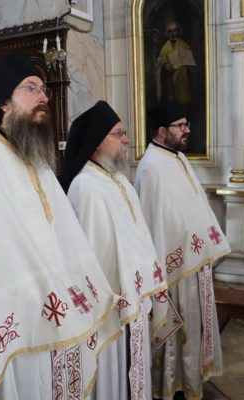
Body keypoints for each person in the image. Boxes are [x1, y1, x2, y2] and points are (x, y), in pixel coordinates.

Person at [0, 54, 122, 399]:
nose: (44, 96)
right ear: (3, 102)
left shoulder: (36, 159)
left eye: (44, 90)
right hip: (17, 323)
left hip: (58, 309)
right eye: (31, 89)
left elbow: (66, 236)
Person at [61, 101, 169, 400]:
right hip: (109, 310)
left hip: (133, 299)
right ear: (96, 141)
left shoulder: (119, 180)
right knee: (113, 378)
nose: (126, 139)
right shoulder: (85, 187)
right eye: (118, 133)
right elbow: (88, 258)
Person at [134, 101, 231, 400]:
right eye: (180, 125)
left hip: (194, 264)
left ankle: (191, 380)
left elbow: (195, 207)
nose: (187, 130)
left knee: (194, 325)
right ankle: (171, 385)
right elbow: (154, 223)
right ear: (162, 131)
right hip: (173, 270)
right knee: (178, 329)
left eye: (187, 124)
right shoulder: (151, 167)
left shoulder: (178, 158)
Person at [155, 22, 195, 106]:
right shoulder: (164, 47)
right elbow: (159, 65)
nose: (172, 33)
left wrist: (185, 66)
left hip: (182, 83)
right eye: (170, 31)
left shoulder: (184, 45)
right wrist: (165, 66)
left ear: (178, 32)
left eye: (174, 30)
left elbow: (191, 67)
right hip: (169, 84)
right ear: (167, 33)